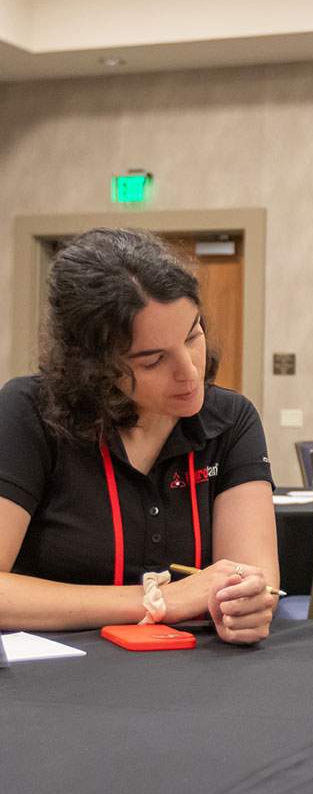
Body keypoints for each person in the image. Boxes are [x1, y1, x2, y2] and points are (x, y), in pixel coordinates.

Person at [0, 228, 279, 644]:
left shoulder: (231, 419)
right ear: (93, 366)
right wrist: (157, 601)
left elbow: (251, 582)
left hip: (194, 680)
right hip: (57, 681)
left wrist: (246, 608)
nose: (189, 372)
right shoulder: (29, 412)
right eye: (152, 361)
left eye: (192, 336)